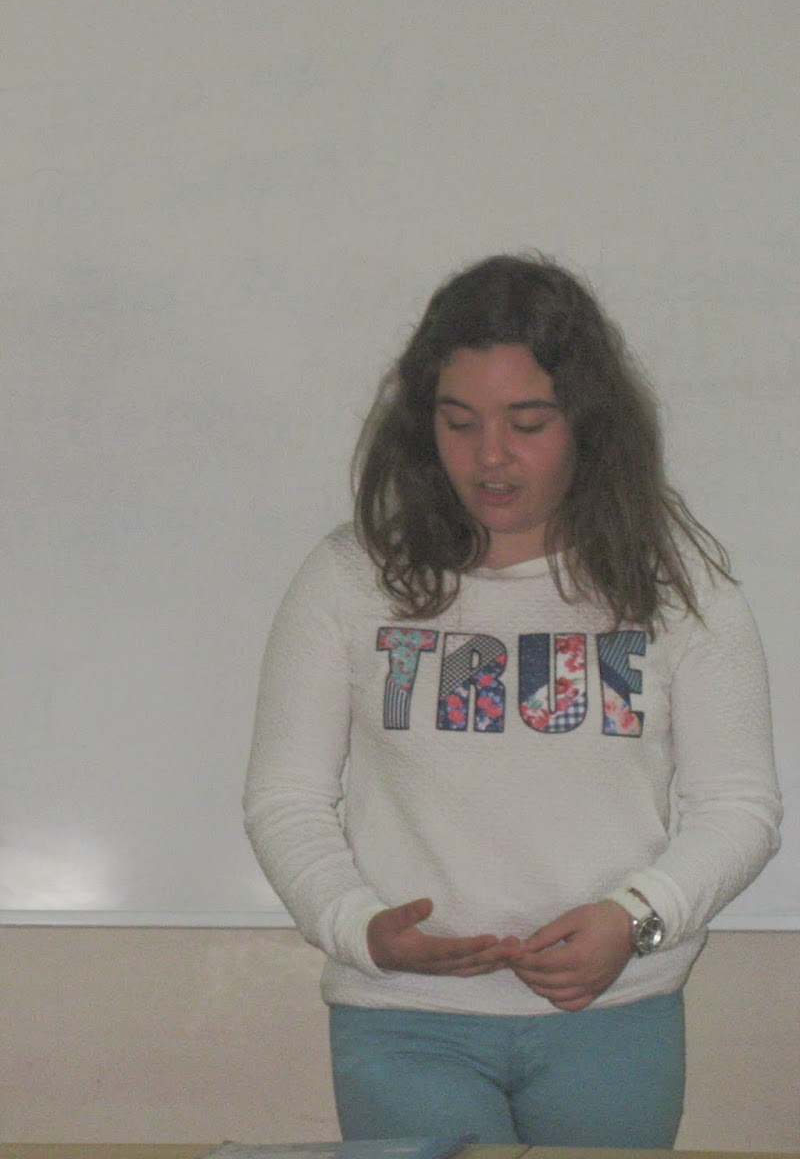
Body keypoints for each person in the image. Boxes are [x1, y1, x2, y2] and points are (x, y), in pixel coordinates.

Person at [243, 254, 779, 1147]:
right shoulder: (348, 578)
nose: (490, 455)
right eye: (459, 422)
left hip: (614, 1016)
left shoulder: (677, 588)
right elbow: (284, 799)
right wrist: (359, 928)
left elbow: (741, 807)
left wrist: (634, 920)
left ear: (587, 423)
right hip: (404, 1020)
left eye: (527, 423)